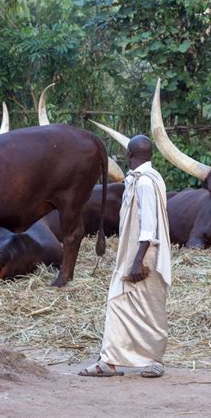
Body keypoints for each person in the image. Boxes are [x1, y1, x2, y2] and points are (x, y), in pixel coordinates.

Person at [79, 135, 171, 378]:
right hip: (139, 252)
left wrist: (138, 260)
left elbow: (149, 227)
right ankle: (110, 361)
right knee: (128, 304)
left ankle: (151, 361)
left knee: (140, 306)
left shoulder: (144, 183)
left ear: (130, 155)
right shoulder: (150, 178)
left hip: (143, 254)